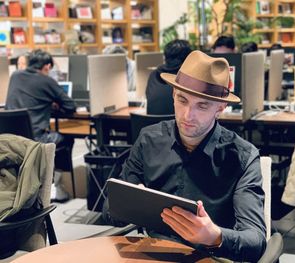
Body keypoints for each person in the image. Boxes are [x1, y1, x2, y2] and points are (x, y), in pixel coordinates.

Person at [105, 50, 266, 261]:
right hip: (152, 253)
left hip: (208, 256)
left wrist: (215, 236)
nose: (188, 115)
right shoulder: (149, 139)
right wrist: (131, 206)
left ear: (221, 107)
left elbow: (256, 241)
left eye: (202, 105)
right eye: (182, 100)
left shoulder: (242, 157)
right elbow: (110, 209)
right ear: (173, 94)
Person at [5, 49, 76, 202]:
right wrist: (53, 105)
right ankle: (55, 187)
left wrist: (46, 104)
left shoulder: (15, 76)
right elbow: (71, 106)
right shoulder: (47, 80)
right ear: (47, 67)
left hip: (11, 140)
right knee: (67, 139)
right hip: (37, 138)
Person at [145, 39, 192, 115]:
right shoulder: (188, 78)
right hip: (177, 125)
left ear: (165, 57)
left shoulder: (154, 74)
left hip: (152, 125)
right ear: (188, 58)